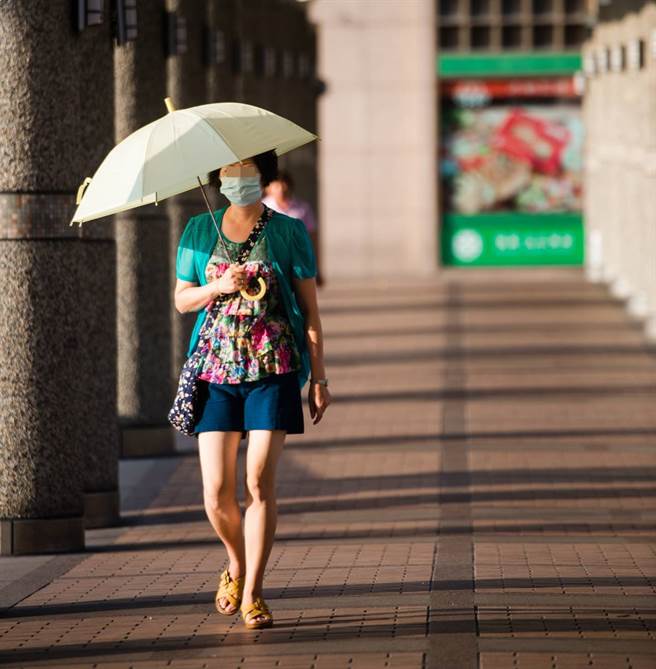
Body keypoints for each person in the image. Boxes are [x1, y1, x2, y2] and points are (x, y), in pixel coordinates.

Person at [174, 150, 331, 630]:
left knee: (258, 481)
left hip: (273, 368)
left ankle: (255, 594)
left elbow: (310, 311)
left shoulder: (287, 231)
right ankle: (235, 566)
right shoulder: (200, 231)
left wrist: (319, 377)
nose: (235, 178)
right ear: (216, 177)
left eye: (246, 170)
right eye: (227, 170)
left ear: (263, 177)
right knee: (216, 491)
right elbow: (182, 300)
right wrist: (217, 285)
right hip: (215, 373)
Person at [263, 170, 322, 285]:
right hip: (272, 264)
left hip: (298, 263)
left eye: (283, 184)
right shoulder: (262, 208)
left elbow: (312, 239)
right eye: (276, 185)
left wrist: (317, 267)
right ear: (268, 188)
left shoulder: (302, 208)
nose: (281, 189)